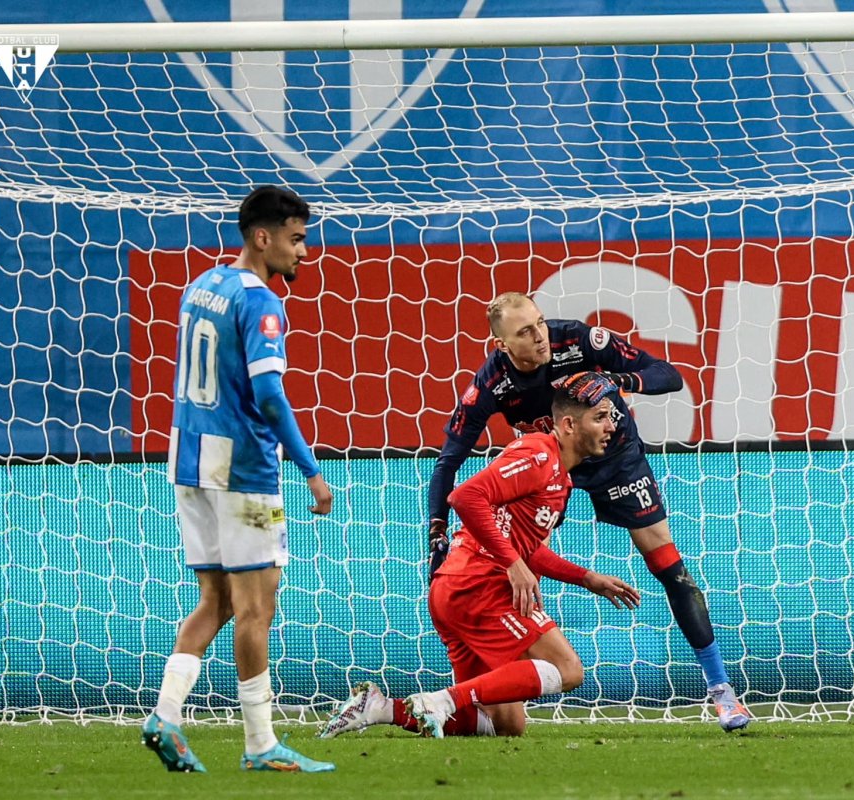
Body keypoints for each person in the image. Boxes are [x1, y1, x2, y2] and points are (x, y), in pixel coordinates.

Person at [426, 292, 751, 731]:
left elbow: (667, 374)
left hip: (616, 460)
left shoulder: (579, 341)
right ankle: (479, 691)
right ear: (502, 345)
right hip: (551, 463)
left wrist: (621, 384)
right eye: (525, 331)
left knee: (669, 567)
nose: (540, 336)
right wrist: (437, 534)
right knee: (508, 552)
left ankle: (721, 691)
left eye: (540, 323)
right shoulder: (489, 385)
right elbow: (450, 461)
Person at [319, 373, 641, 739]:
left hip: (454, 591)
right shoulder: (538, 454)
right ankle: (439, 701)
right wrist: (512, 564)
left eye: (611, 417)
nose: (611, 426)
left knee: (506, 723)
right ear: (568, 424)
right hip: (479, 586)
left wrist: (586, 578)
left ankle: (380, 708)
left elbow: (527, 549)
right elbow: (465, 496)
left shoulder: (560, 478)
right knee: (567, 669)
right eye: (600, 417)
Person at [141, 186, 335, 773]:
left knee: (217, 600)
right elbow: (270, 396)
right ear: (263, 236)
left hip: (190, 462)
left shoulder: (201, 286)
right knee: (259, 603)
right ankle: (259, 743)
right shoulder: (261, 304)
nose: (305, 252)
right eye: (297, 239)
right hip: (247, 473)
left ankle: (166, 716)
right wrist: (312, 472)